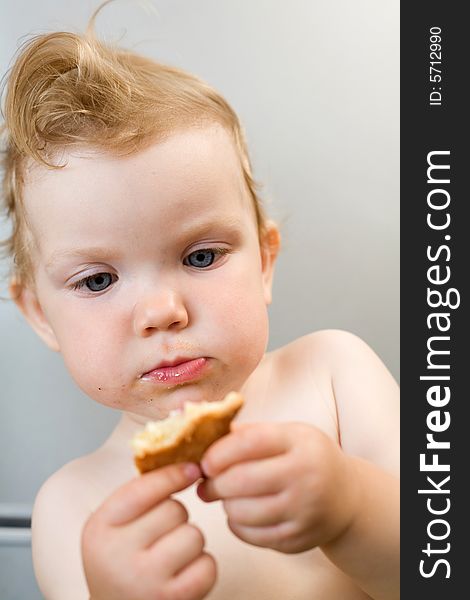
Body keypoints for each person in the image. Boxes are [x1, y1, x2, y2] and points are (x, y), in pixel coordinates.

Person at [0, 6, 399, 600]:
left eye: (200, 257)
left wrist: (350, 508)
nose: (163, 311)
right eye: (98, 281)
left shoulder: (334, 377)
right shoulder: (73, 511)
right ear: (38, 313)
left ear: (264, 261)